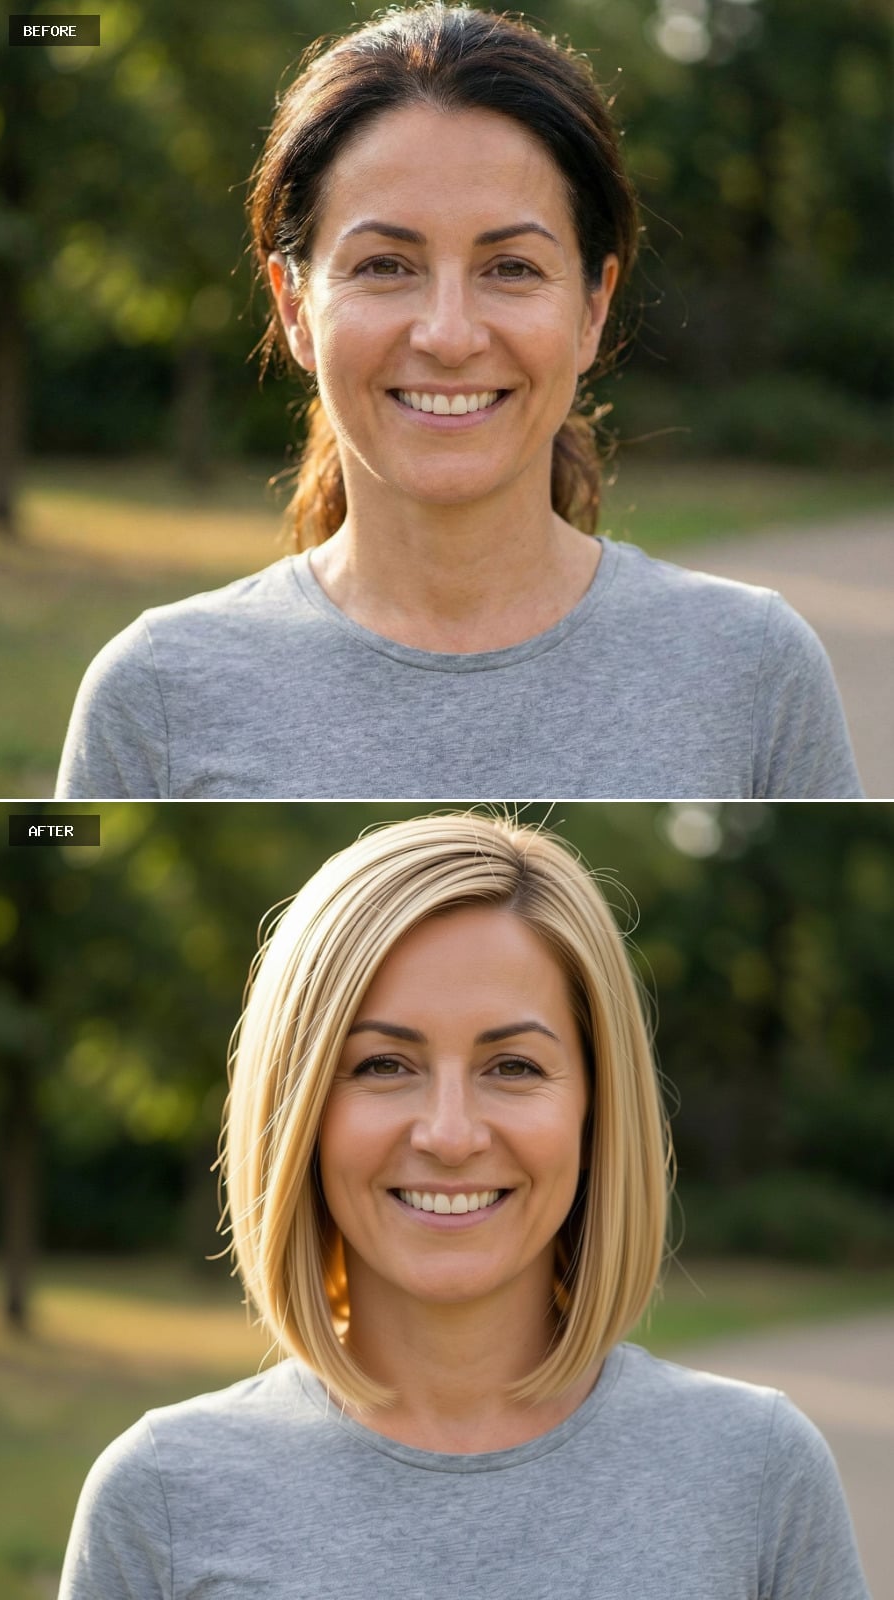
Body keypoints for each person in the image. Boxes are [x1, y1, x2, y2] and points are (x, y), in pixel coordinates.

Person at [55, 4, 861, 800]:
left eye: (510, 268)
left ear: (591, 308)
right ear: (294, 308)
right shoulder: (155, 693)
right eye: (385, 266)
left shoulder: (752, 667)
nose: (448, 334)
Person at [58, 812, 869, 1598]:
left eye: (513, 1066)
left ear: (596, 1105)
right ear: (297, 1105)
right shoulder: (160, 1498)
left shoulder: (757, 1472)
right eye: (382, 1065)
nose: (449, 1135)